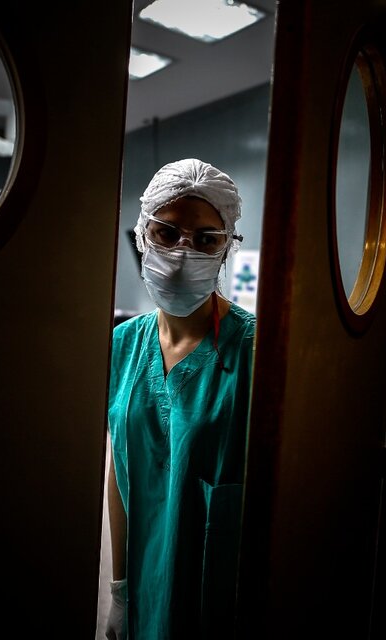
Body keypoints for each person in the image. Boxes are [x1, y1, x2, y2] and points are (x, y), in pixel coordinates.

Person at [105, 158, 256, 639]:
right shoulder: (123, 343)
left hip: (219, 588)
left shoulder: (257, 350)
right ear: (143, 233)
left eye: (206, 239)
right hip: (145, 577)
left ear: (227, 247)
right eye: (167, 233)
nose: (181, 252)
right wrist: (120, 588)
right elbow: (121, 468)